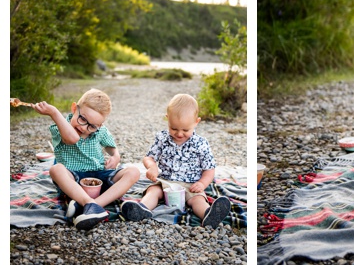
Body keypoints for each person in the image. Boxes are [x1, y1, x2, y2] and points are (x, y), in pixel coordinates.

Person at [33, 88, 140, 230]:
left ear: (100, 125)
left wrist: (115, 156)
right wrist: (54, 112)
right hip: (73, 180)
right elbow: (72, 138)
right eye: (82, 119)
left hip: (99, 177)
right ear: (73, 108)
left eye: (92, 126)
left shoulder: (100, 131)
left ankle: (91, 205)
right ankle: (87, 202)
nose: (84, 127)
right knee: (56, 169)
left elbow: (111, 147)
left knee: (134, 171)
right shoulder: (60, 126)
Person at [119, 94, 231, 228]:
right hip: (166, 182)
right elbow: (149, 157)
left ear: (196, 122)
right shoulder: (162, 138)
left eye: (185, 130)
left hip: (191, 184)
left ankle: (208, 215)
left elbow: (209, 168)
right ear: (168, 119)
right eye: (174, 128)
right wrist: (152, 167)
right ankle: (141, 209)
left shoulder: (201, 143)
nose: (179, 134)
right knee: (153, 191)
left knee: (197, 199)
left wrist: (202, 183)